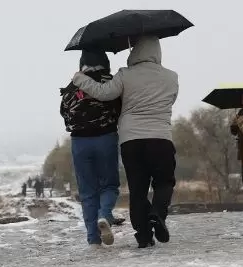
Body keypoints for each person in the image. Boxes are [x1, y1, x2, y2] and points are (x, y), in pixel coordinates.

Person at [72, 36, 179, 249]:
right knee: (164, 182)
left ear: (135, 52)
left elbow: (105, 93)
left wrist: (80, 79)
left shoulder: (125, 75)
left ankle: (143, 236)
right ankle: (157, 213)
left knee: (138, 189)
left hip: (131, 141)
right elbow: (171, 99)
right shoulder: (171, 77)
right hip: (161, 138)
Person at [61, 49, 123, 247]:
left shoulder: (72, 86)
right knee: (110, 185)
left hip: (80, 143)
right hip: (106, 138)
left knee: (87, 192)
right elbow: (121, 108)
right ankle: (104, 215)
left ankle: (93, 239)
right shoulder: (109, 82)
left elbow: (64, 114)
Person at [230, 105, 243, 196]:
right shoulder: (240, 112)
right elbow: (234, 131)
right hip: (242, 149)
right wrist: (234, 123)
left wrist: (242, 122)